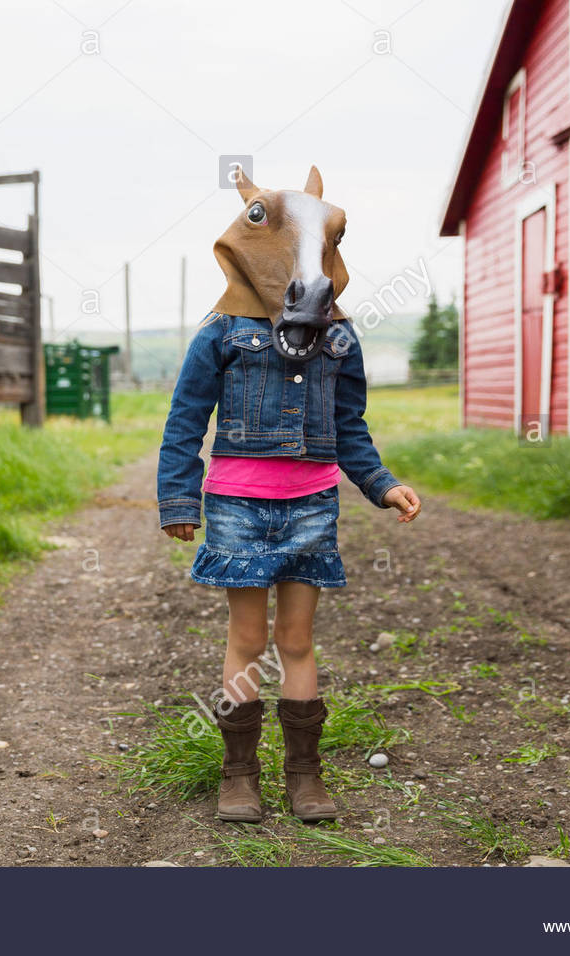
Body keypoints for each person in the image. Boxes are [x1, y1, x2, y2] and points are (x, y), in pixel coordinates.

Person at [157, 166, 421, 823]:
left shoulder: (339, 336)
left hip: (311, 505)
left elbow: (350, 428)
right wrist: (179, 500)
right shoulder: (222, 332)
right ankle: (238, 774)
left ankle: (305, 774)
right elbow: (186, 419)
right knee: (247, 637)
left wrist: (383, 486)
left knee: (297, 640)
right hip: (239, 506)